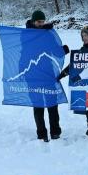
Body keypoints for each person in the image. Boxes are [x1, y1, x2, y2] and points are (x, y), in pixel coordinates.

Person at [25, 10, 69, 142]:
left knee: (52, 104)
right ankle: (41, 134)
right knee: (38, 105)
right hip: (33, 75)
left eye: (43, 21)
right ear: (33, 21)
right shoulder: (26, 35)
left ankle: (55, 132)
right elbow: (24, 54)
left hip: (48, 73)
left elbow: (54, 51)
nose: (41, 24)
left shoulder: (48, 34)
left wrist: (63, 50)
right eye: (39, 22)